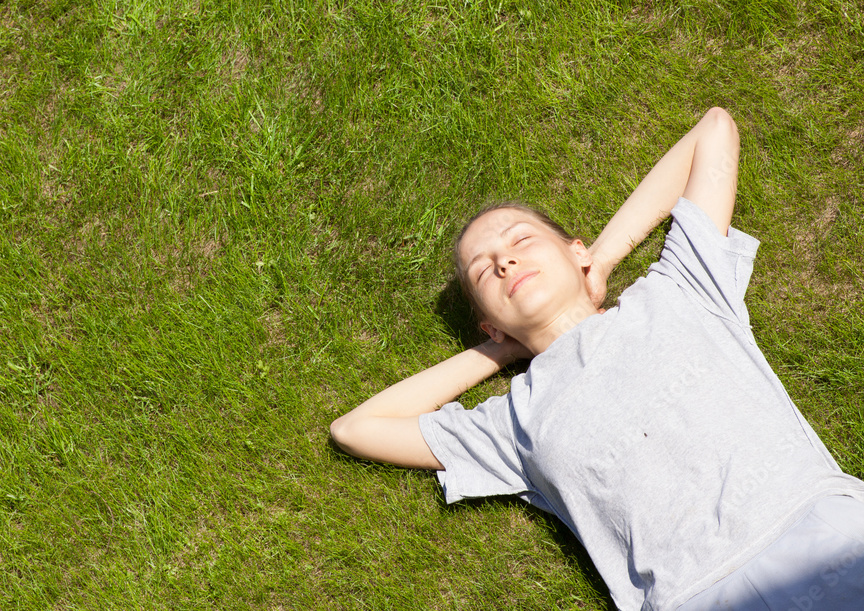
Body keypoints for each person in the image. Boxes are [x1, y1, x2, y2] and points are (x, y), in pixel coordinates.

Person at [330, 108, 864, 610]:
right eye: (482, 270)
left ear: (574, 250)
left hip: (823, 526)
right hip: (696, 595)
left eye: (520, 240)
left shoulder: (682, 288)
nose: (504, 260)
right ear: (488, 322)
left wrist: (602, 262)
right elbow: (357, 428)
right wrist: (496, 351)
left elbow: (715, 130)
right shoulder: (514, 424)